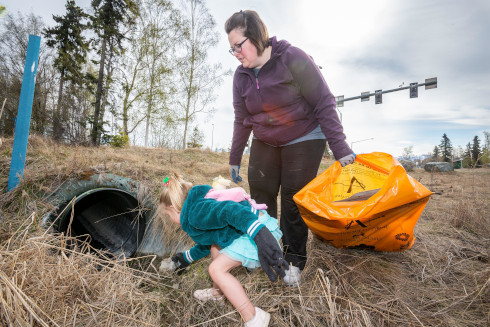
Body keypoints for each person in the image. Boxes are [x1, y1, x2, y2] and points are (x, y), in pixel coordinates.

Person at [225, 10, 356, 286]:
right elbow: (242, 119)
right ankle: (267, 251)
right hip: (265, 139)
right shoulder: (241, 77)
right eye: (231, 48)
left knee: (293, 201)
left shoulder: (292, 58)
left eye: (239, 45)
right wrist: (234, 157)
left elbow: (324, 101)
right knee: (260, 196)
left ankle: (294, 261)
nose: (235, 53)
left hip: (304, 135)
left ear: (257, 36)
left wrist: (340, 147)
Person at [158, 174, 288, 327]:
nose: (170, 219)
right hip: (248, 229)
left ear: (174, 209)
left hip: (257, 232)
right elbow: (211, 240)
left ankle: (253, 317)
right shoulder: (195, 207)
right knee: (215, 248)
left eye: (168, 215)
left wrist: (258, 233)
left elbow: (229, 210)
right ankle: (217, 294)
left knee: (216, 269)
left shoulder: (197, 212)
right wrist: (186, 257)